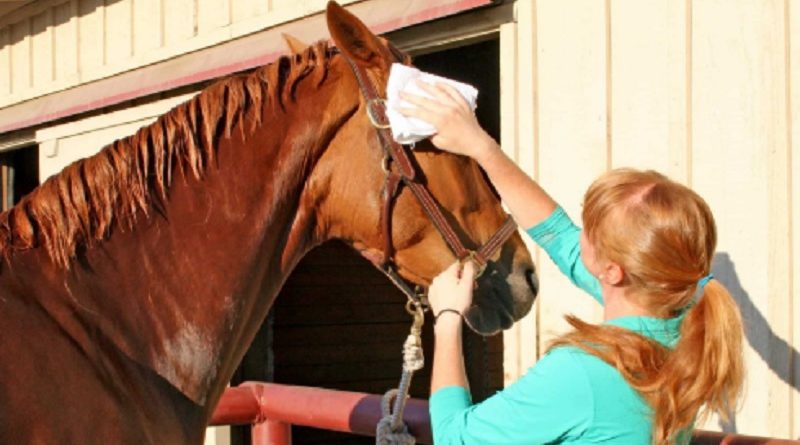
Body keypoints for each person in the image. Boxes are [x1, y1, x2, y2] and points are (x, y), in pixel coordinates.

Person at [397, 82, 745, 445]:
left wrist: (449, 318)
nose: (578, 235)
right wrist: (480, 147)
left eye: (590, 230)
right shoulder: (688, 318)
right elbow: (558, 234)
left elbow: (457, 438)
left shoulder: (583, 372)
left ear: (613, 272)